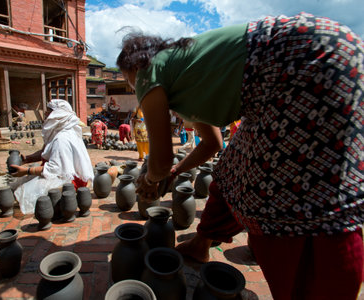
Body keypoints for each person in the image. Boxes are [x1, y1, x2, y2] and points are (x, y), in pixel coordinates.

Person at [116, 12, 363, 300]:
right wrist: (174, 172)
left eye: (128, 81)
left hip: (304, 62)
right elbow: (213, 144)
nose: (133, 88)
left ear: (133, 68)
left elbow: (159, 162)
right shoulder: (185, 75)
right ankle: (201, 243)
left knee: (291, 198)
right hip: (319, 52)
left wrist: (150, 178)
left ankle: (322, 288)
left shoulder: (149, 71)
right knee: (233, 168)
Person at [10, 99, 94, 214]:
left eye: (48, 111)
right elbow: (45, 152)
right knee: (23, 184)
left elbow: (55, 169)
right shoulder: (58, 132)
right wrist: (27, 159)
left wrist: (27, 171)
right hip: (61, 172)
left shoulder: (62, 138)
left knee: (26, 191)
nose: (45, 114)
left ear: (57, 115)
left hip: (70, 180)